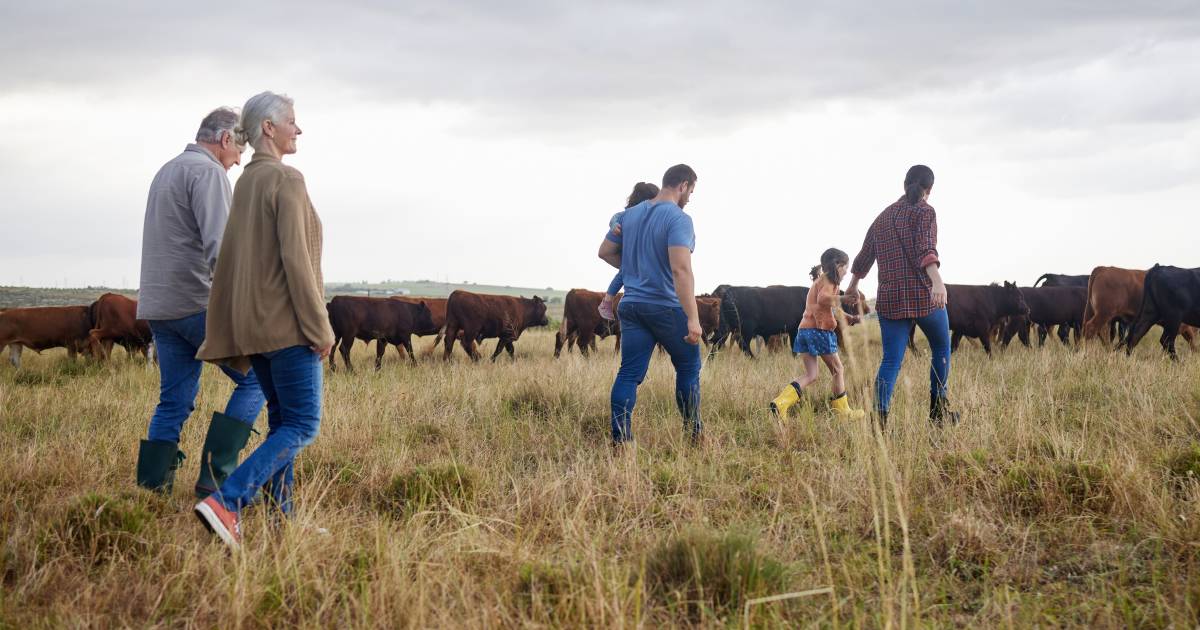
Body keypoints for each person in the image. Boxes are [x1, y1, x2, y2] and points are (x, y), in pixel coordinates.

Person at [193, 91, 335, 548]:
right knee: (303, 425)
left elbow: (240, 261)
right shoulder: (286, 179)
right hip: (289, 328)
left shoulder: (246, 180)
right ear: (269, 129)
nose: (299, 129)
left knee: (280, 422)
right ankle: (227, 501)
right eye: (292, 121)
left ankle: (282, 521)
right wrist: (321, 328)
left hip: (256, 329)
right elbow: (296, 261)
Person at [136, 107, 266, 498]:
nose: (239, 160)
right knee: (263, 376)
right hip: (196, 304)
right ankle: (216, 476)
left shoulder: (167, 170)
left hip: (159, 308)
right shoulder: (208, 173)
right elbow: (221, 249)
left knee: (174, 400)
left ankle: (151, 488)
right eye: (239, 150)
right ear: (226, 139)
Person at [844, 164, 959, 428]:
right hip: (923, 295)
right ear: (929, 189)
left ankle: (879, 421)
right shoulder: (925, 211)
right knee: (941, 348)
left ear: (904, 183)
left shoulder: (882, 217)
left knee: (891, 360)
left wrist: (852, 285)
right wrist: (937, 282)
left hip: (890, 298)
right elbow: (926, 249)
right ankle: (938, 413)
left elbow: (864, 256)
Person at [598, 164, 702, 445]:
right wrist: (693, 318)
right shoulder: (679, 219)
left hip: (631, 305)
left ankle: (621, 441)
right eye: (691, 191)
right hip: (666, 306)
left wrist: (635, 270)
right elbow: (681, 270)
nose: (690, 197)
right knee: (689, 367)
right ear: (682, 185)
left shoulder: (629, 215)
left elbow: (605, 252)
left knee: (629, 373)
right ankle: (694, 435)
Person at [770, 248, 865, 419]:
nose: (846, 272)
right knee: (838, 369)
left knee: (811, 375)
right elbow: (823, 299)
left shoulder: (821, 281)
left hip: (804, 331)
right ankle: (843, 412)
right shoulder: (829, 280)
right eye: (845, 267)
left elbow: (832, 308)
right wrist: (844, 298)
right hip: (819, 332)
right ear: (837, 265)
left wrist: (850, 318)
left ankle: (780, 403)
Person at [598, 182, 660, 320]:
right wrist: (614, 225)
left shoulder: (633, 216)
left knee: (624, 272)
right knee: (623, 271)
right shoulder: (630, 215)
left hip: (633, 259)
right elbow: (616, 217)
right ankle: (607, 301)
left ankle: (607, 301)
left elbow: (604, 252)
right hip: (633, 257)